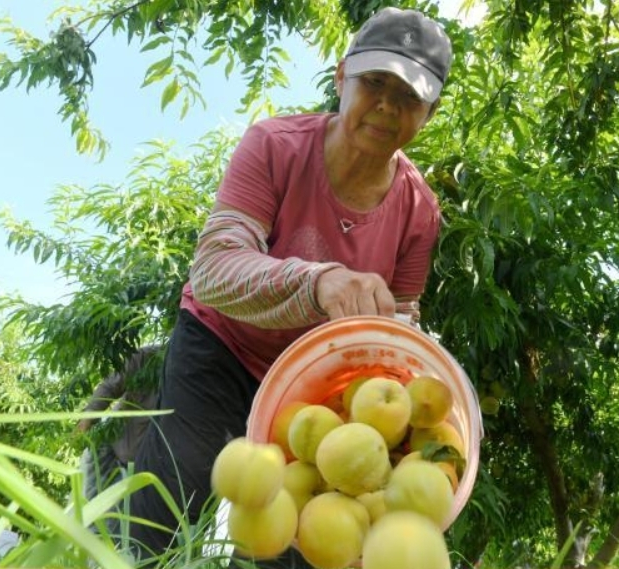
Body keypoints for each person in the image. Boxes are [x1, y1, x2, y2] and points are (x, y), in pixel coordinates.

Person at [128, 7, 453, 567]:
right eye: (374, 83)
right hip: (222, 349)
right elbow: (214, 267)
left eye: (409, 96)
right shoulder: (276, 146)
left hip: (314, 391)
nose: (386, 105)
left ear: (429, 112)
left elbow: (400, 323)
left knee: (290, 544)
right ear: (340, 76)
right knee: (169, 502)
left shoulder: (419, 212)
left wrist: (405, 429)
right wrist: (318, 280)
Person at [77, 345, 161, 503]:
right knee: (93, 516)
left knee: (118, 523)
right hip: (109, 453)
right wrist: (87, 419)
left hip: (140, 469)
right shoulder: (148, 357)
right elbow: (110, 386)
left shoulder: (193, 379)